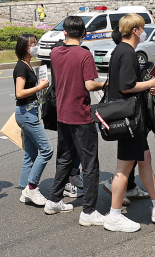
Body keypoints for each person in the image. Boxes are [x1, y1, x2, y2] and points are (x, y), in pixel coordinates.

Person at [104, 14, 155, 232]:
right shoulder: (127, 52)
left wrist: (145, 84)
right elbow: (126, 86)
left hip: (131, 118)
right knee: (123, 168)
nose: (143, 31)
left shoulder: (120, 51)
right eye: (142, 28)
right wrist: (150, 82)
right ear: (136, 30)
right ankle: (113, 215)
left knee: (145, 159)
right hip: (129, 119)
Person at [43, 15, 107, 224]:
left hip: (63, 114)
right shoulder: (84, 54)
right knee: (90, 163)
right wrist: (105, 83)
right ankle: (88, 212)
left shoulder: (55, 53)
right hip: (81, 114)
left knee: (64, 158)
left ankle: (54, 200)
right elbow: (90, 84)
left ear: (64, 33)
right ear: (84, 34)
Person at [13, 33, 53, 206]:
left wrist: (41, 89)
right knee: (47, 150)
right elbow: (19, 93)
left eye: (36, 43)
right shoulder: (21, 67)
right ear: (24, 47)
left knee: (31, 153)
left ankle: (25, 189)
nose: (35, 46)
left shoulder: (28, 65)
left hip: (29, 111)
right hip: (26, 113)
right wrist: (39, 87)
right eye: (32, 44)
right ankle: (32, 187)